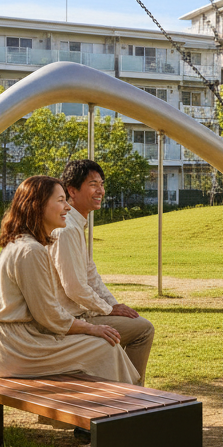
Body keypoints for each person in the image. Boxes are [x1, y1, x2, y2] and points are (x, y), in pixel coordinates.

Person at [0, 175, 139, 385]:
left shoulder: (23, 243)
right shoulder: (30, 250)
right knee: (103, 347)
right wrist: (92, 328)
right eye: (61, 200)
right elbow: (49, 315)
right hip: (16, 348)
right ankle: (128, 407)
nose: (67, 208)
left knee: (98, 345)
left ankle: (123, 404)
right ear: (37, 205)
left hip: (10, 344)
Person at [52, 159, 155, 380]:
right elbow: (75, 288)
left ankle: (127, 393)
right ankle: (135, 398)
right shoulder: (67, 229)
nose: (100, 190)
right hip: (70, 319)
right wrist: (107, 310)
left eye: (101, 183)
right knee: (143, 329)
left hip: (80, 314)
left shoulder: (76, 225)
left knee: (134, 326)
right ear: (72, 190)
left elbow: (91, 275)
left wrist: (113, 304)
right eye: (93, 184)